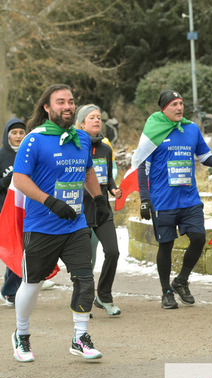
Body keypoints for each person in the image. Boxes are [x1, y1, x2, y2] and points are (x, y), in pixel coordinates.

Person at [11, 83, 112, 362]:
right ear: (47, 107)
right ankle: (22, 334)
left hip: (75, 225)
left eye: (70, 101)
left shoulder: (81, 138)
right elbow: (20, 179)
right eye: (60, 102)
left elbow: (88, 171)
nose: (67, 106)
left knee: (85, 279)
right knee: (32, 283)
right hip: (41, 226)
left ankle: (80, 337)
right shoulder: (35, 139)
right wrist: (51, 202)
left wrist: (99, 199)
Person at [136, 90, 212, 309]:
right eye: (174, 104)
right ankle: (166, 291)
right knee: (166, 246)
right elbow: (142, 166)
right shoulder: (153, 131)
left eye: (181, 103)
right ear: (163, 109)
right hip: (163, 200)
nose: (179, 108)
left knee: (198, 238)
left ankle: (181, 280)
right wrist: (144, 198)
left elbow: (204, 157)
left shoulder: (191, 128)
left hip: (189, 199)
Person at [76, 104, 123, 316]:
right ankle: (83, 300)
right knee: (85, 260)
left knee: (113, 251)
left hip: (102, 209)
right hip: (81, 211)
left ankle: (103, 296)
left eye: (98, 117)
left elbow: (107, 177)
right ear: (81, 124)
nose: (97, 120)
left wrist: (113, 189)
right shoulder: (75, 148)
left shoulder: (106, 148)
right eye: (91, 117)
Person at [0, 118, 26, 306]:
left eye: (21, 133)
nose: (18, 136)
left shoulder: (28, 154)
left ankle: (10, 289)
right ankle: (9, 290)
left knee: (21, 250)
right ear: (7, 136)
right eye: (14, 133)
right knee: (11, 250)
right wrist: (9, 177)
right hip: (4, 210)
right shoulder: (2, 155)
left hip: (25, 210)